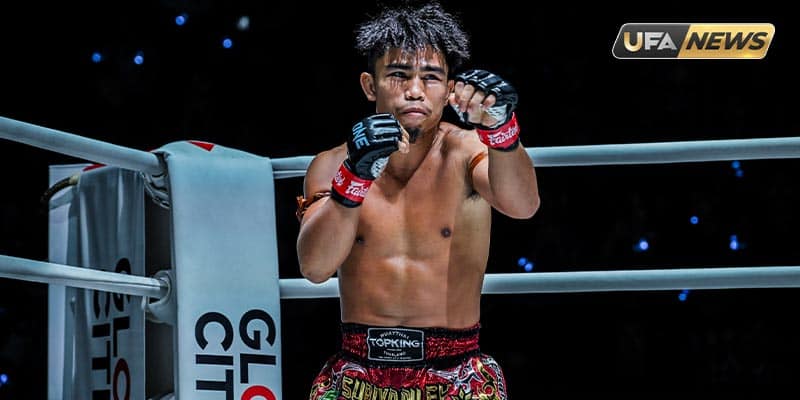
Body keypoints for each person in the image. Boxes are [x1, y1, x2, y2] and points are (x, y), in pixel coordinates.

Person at [296, 2, 539, 399]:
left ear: (449, 90)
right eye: (398, 75)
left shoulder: (467, 152)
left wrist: (502, 131)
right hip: (357, 371)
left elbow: (523, 205)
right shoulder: (332, 164)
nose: (414, 90)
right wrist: (353, 180)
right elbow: (314, 267)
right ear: (370, 85)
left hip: (457, 371)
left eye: (431, 77)